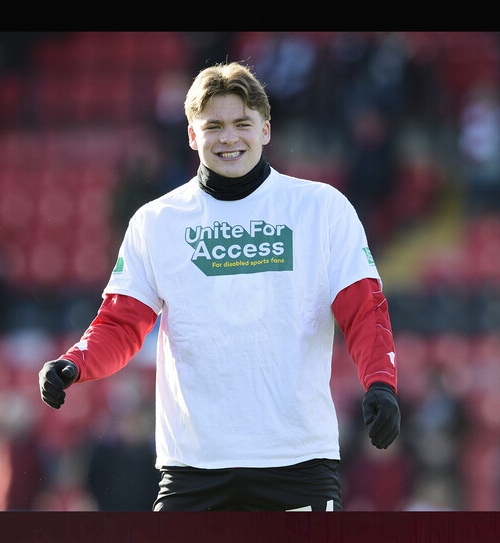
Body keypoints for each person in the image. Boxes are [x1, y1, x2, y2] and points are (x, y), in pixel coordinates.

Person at [39, 61, 400, 512]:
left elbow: (364, 311)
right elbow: (121, 323)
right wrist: (76, 364)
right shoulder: (156, 222)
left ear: (266, 130)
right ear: (192, 135)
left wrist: (381, 383)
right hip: (193, 468)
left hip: (297, 461)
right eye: (213, 126)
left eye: (242, 124)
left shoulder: (322, 209)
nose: (229, 137)